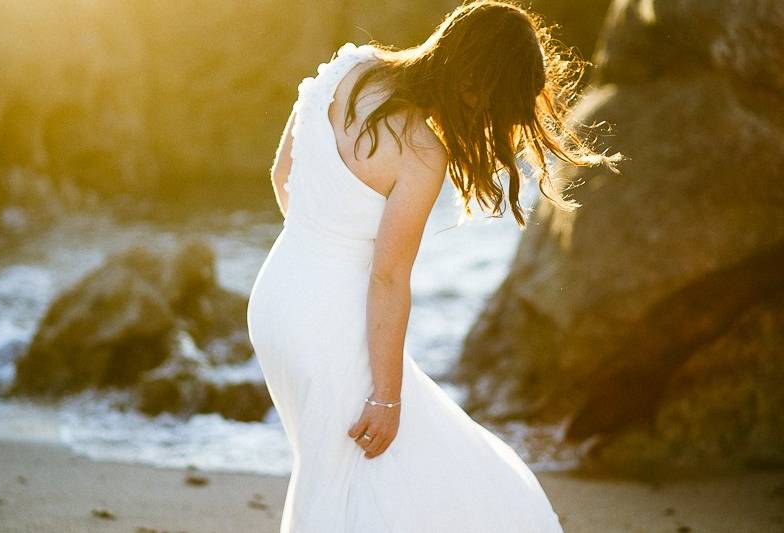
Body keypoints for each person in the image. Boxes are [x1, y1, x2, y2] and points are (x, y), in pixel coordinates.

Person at [247, 1, 622, 531]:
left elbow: (283, 176)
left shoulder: (349, 68)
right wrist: (386, 397)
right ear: (476, 80)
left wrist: (324, 250)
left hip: (276, 299)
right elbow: (387, 277)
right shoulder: (421, 151)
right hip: (329, 321)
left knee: (332, 468)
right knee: (398, 464)